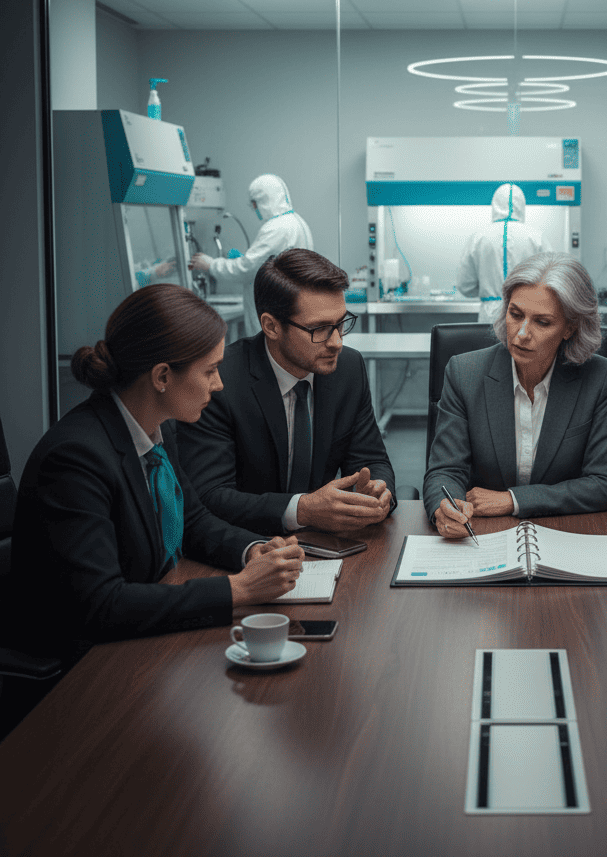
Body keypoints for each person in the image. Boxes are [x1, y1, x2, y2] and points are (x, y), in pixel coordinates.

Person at [11, 284, 304, 658]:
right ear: (162, 376)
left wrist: (252, 551)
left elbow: (192, 520)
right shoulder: (74, 458)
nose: (219, 384)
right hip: (81, 668)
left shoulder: (157, 425)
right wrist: (240, 589)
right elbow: (101, 604)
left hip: (146, 637)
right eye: (210, 370)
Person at [177, 248, 395, 538]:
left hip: (326, 543)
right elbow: (210, 495)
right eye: (319, 329)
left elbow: (372, 460)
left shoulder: (348, 369)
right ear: (271, 326)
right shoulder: (221, 382)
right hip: (246, 546)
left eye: (341, 323)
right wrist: (301, 510)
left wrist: (378, 490)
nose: (337, 342)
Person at [425, 252, 607, 536]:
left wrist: (513, 499)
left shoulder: (598, 378)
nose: (520, 334)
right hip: (482, 534)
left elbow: (606, 483)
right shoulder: (464, 373)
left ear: (570, 328)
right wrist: (444, 506)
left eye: (542, 322)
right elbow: (445, 470)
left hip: (566, 533)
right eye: (515, 314)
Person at [190, 173, 313, 337]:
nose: (255, 209)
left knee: (268, 356)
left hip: (275, 309)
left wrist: (211, 264)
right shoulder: (296, 222)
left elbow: (245, 269)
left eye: (253, 205)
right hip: (291, 307)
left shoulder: (276, 228)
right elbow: (265, 264)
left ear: (261, 202)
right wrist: (247, 261)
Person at [456, 182, 549, 324]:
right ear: (522, 206)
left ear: (494, 205)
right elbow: (554, 279)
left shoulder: (479, 238)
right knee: (523, 345)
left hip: (490, 315)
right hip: (527, 313)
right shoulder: (536, 237)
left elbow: (465, 286)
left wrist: (488, 292)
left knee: (490, 346)